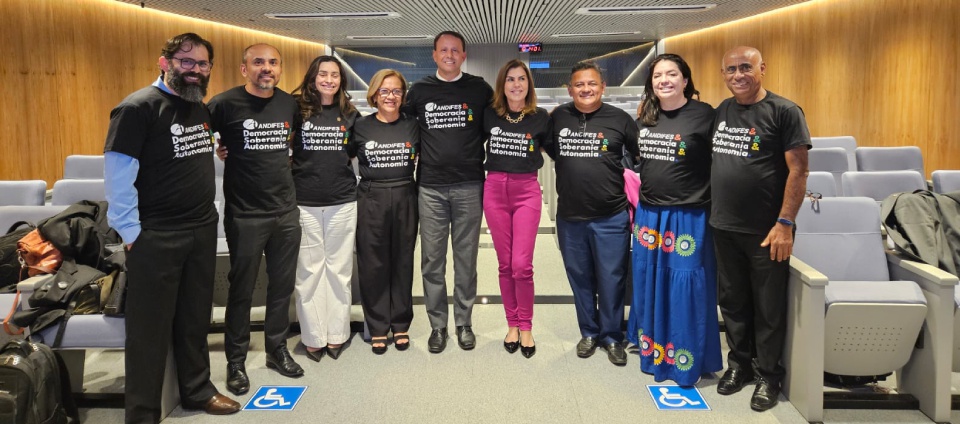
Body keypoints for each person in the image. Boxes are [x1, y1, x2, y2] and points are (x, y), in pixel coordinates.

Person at [103, 32, 241, 423]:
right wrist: (132, 235)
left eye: (202, 63)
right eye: (186, 61)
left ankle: (198, 391)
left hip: (200, 229)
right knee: (149, 333)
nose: (195, 70)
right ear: (164, 62)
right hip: (156, 236)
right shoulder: (137, 108)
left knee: (195, 319)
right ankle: (143, 413)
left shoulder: (199, 107)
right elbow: (117, 179)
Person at [710, 46, 810, 411]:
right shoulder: (722, 110)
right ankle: (739, 365)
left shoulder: (785, 111)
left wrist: (785, 223)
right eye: (731, 69)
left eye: (745, 67)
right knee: (733, 302)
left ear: (762, 68)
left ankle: (769, 374)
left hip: (768, 231)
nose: (738, 75)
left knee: (768, 308)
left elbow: (799, 171)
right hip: (723, 226)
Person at [208, 43, 304, 396]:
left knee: (281, 287)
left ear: (280, 69)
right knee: (242, 288)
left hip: (285, 210)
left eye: (273, 62)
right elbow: (197, 138)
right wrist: (218, 146)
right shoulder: (223, 104)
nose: (267, 68)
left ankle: (276, 350)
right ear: (243, 68)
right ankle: (235, 360)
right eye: (259, 62)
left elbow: (291, 143)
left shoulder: (288, 104)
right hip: (245, 214)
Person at [626, 54, 722, 385]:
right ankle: (655, 352)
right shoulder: (646, 117)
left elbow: (724, 164)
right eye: (657, 75)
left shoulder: (705, 115)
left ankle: (686, 359)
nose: (664, 80)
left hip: (689, 215)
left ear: (685, 80)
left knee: (686, 285)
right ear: (650, 83)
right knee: (650, 281)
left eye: (672, 74)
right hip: (650, 215)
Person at [402, 30, 493, 353]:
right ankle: (438, 326)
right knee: (432, 260)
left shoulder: (479, 89)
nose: (450, 55)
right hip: (430, 187)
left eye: (456, 50)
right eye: (444, 50)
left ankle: (464, 322)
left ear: (464, 55)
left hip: (470, 184)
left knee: (466, 259)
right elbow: (404, 127)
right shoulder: (419, 91)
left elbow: (494, 127)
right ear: (434, 54)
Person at [545, 61, 639, 366]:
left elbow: (639, 158)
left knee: (612, 278)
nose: (585, 89)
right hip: (570, 217)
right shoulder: (558, 117)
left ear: (602, 87)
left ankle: (612, 336)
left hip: (611, 217)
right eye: (579, 85)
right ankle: (588, 332)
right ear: (570, 89)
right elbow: (551, 150)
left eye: (592, 84)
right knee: (580, 278)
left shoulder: (620, 119)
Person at [289, 56, 360, 361]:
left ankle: (337, 334)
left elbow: (353, 153)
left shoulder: (350, 114)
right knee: (309, 271)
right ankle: (313, 336)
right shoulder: (296, 110)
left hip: (342, 201)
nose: (329, 80)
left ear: (341, 80)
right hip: (304, 201)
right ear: (312, 77)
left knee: (339, 272)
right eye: (323, 74)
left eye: (335, 75)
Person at [482, 60, 551, 359]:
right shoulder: (489, 115)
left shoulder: (541, 118)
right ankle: (511, 324)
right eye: (510, 79)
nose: (516, 84)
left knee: (522, 264)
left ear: (529, 84)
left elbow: (556, 151)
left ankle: (526, 326)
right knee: (505, 264)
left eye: (522, 79)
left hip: (526, 192)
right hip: (495, 190)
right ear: (503, 84)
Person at [350, 69, 420, 355]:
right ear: (374, 94)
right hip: (371, 196)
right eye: (384, 91)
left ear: (403, 95)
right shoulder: (360, 126)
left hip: (405, 193)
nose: (390, 96)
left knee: (403, 261)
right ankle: (378, 325)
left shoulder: (413, 125)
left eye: (396, 91)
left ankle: (401, 322)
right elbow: (338, 156)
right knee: (373, 263)